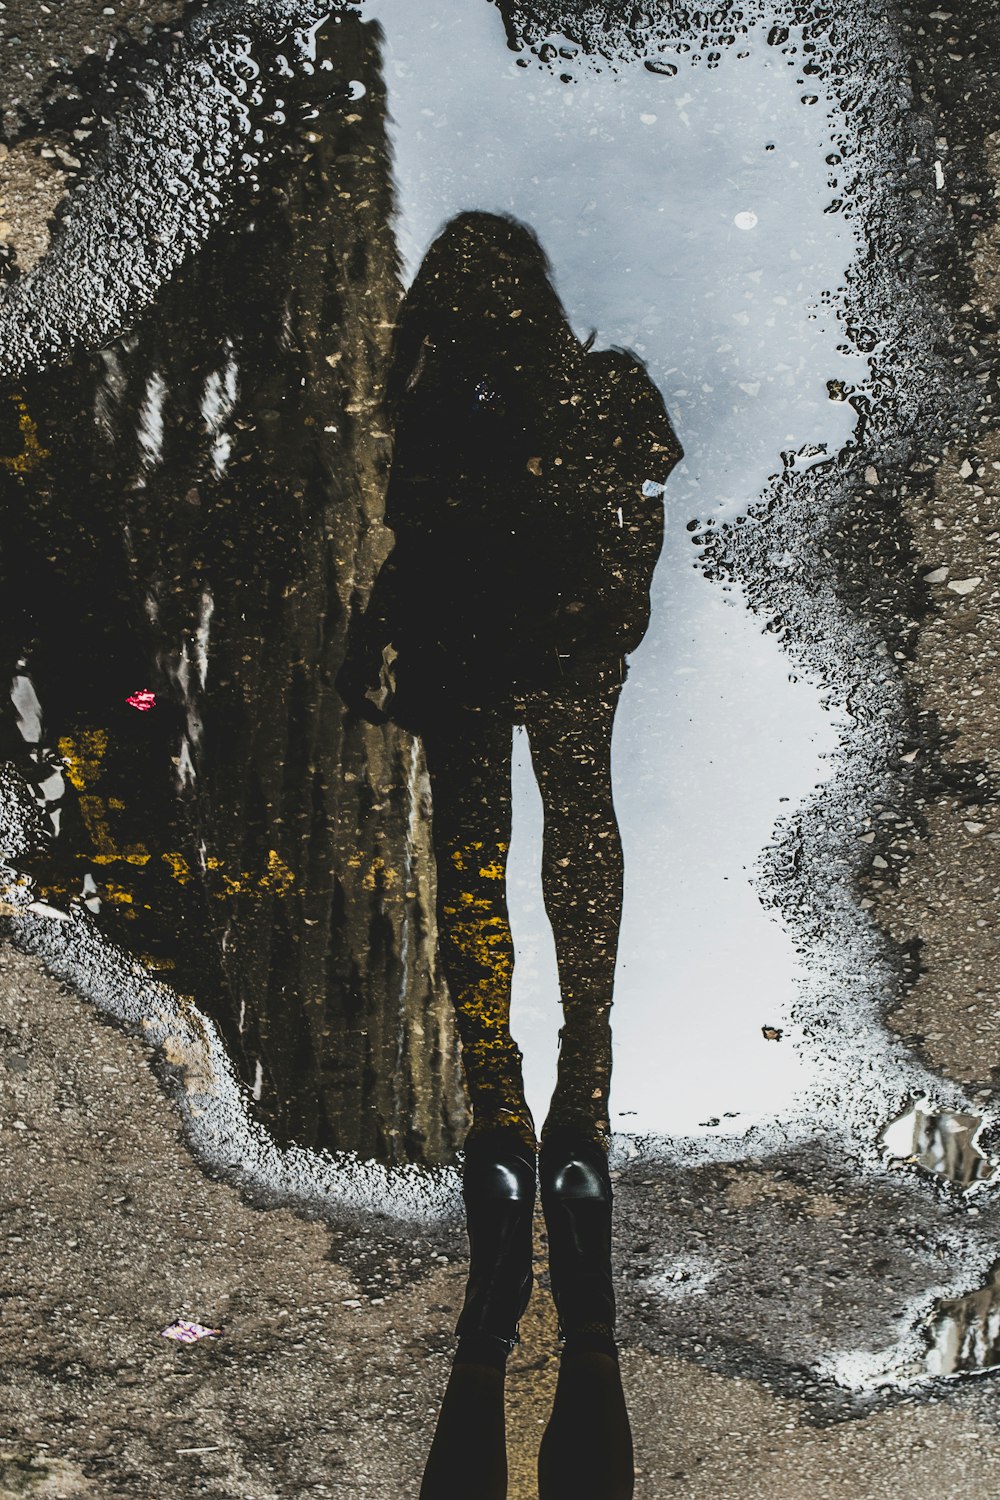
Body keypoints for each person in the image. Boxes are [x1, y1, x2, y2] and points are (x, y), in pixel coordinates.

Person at [337, 211, 682, 1499]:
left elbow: (413, 554)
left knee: (470, 856)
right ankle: (581, 1063)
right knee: (579, 818)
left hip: (469, 652)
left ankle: (499, 1087)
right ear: (536, 295)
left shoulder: (431, 406)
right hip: (560, 640)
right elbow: (642, 491)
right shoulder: (589, 385)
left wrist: (384, 636)